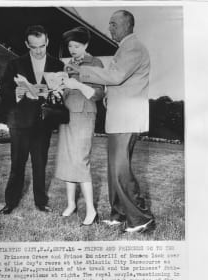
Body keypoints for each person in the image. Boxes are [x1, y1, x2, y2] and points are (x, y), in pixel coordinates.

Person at [65, 11, 155, 233]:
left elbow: (115, 77)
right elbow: (119, 81)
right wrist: (107, 95)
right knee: (114, 168)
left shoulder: (132, 47)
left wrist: (81, 71)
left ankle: (140, 218)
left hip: (126, 118)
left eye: (114, 24)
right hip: (120, 117)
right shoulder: (125, 48)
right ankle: (119, 215)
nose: (110, 28)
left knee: (120, 169)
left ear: (127, 25)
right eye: (109, 24)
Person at [0, 25, 64, 214]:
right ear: (27, 44)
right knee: (17, 165)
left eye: (42, 46)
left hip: (43, 124)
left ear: (47, 42)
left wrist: (48, 92)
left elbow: (60, 95)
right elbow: (4, 90)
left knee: (40, 164)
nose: (38, 51)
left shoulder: (57, 65)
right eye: (33, 47)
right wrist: (18, 93)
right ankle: (10, 202)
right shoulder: (14, 64)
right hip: (19, 123)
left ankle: (41, 201)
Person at [55, 27, 105, 225]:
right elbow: (67, 92)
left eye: (76, 46)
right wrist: (58, 89)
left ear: (86, 45)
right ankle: (71, 204)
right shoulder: (68, 65)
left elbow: (99, 93)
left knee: (81, 160)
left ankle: (91, 210)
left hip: (84, 115)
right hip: (67, 114)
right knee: (67, 158)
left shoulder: (96, 63)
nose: (72, 50)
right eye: (69, 46)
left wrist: (77, 85)